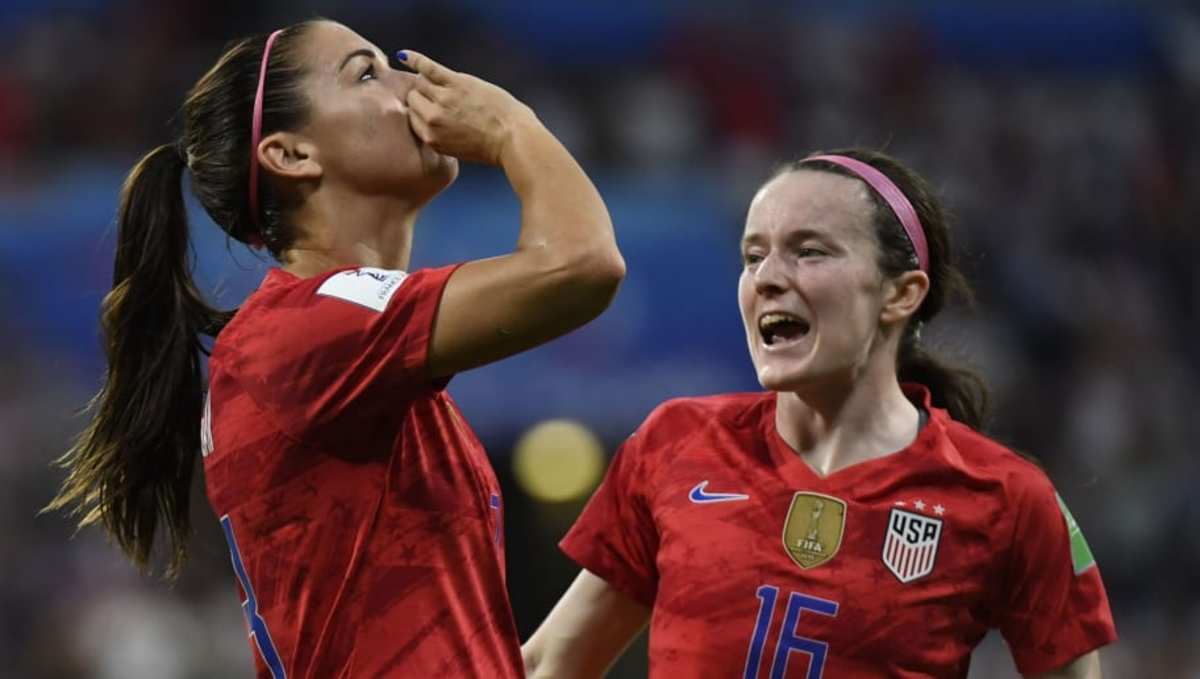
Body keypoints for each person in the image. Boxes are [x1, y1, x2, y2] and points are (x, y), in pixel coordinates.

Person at [47, 19, 624, 678]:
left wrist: (627, 555)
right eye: (367, 72)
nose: (412, 84)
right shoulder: (304, 333)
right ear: (291, 155)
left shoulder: (347, 351)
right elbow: (580, 265)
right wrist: (513, 127)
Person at [523, 149, 1116, 679]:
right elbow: (552, 663)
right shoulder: (674, 444)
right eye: (753, 256)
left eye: (809, 252)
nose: (769, 279)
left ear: (900, 294)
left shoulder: (1005, 497)